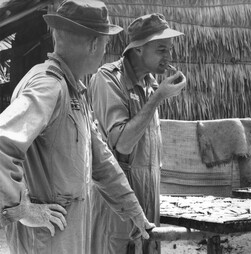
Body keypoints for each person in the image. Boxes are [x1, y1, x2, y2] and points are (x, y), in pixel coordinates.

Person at [0, 1, 155, 253]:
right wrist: (22, 210)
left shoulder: (75, 92)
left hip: (67, 236)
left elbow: (102, 161)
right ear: (94, 44)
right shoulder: (48, 86)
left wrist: (134, 212)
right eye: (105, 43)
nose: (105, 51)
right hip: (45, 241)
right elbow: (2, 143)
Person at [88, 13, 186, 254]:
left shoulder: (149, 84)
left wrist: (156, 94)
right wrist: (158, 98)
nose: (168, 57)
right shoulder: (108, 79)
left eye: (170, 50)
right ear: (139, 49)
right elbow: (122, 145)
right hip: (117, 210)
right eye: (162, 49)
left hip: (148, 203)